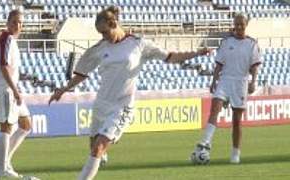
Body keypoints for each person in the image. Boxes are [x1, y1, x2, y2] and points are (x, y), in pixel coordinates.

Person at [48, 6, 211, 180]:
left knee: (98, 148)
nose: (103, 36)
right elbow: (82, 73)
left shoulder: (138, 44)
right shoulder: (100, 48)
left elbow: (170, 57)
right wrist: (64, 89)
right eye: (100, 33)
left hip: (121, 106)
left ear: (114, 24)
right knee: (94, 148)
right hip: (101, 104)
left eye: (104, 32)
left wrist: (196, 53)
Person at [191, 13, 261, 164]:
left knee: (236, 121)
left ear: (245, 25)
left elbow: (255, 66)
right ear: (233, 25)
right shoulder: (226, 42)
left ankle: (235, 154)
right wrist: (214, 81)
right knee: (215, 108)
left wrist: (253, 82)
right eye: (237, 24)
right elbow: (219, 64)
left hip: (241, 82)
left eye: (241, 24)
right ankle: (206, 142)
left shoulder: (252, 44)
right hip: (225, 79)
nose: (239, 26)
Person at [0, 10, 31, 178]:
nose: (18, 25)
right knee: (6, 127)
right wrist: (14, 90)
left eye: (20, 22)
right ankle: (2, 169)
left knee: (26, 125)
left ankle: (5, 161)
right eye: (14, 22)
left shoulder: (11, 41)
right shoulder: (6, 38)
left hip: (11, 88)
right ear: (8, 22)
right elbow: (4, 66)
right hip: (5, 89)